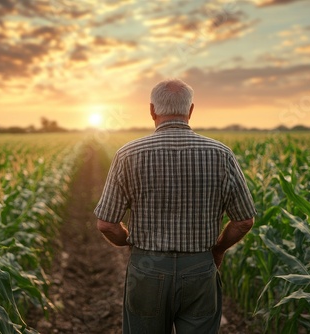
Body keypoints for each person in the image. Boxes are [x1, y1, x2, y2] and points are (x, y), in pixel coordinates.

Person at [94, 78, 256, 333]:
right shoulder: (221, 154)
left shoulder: (127, 154)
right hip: (200, 269)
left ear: (152, 110)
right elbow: (244, 220)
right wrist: (218, 250)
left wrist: (128, 242)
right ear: (190, 110)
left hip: (146, 270)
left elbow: (106, 224)